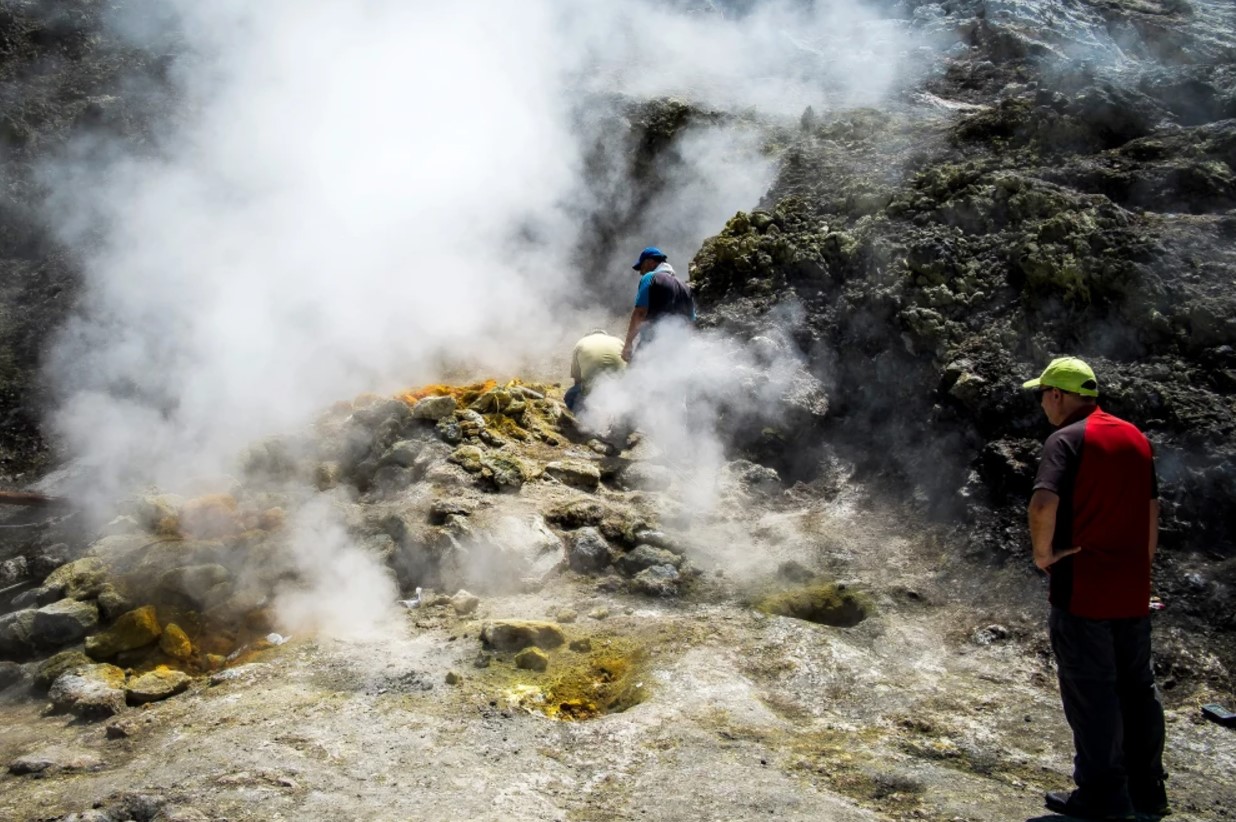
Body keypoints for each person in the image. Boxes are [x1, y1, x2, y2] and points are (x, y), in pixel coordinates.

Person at [1023, 356, 1168, 821]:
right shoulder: (1135, 438)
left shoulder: (1066, 439)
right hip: (1131, 589)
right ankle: (1148, 791)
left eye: (1044, 393)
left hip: (1084, 588)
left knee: (1092, 692)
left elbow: (1044, 502)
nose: (1043, 403)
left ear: (1059, 395)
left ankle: (1103, 796)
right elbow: (1151, 511)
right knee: (1137, 689)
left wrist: (1043, 555)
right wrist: (1139, 571)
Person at [621, 246, 695, 363]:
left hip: (653, 347)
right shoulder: (685, 287)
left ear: (650, 262)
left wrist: (628, 344)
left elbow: (640, 313)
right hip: (678, 352)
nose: (641, 272)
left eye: (641, 267)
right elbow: (690, 323)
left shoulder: (650, 278)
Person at [564, 329, 625, 414]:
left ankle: (586, 419)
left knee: (571, 395)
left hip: (593, 392)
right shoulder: (619, 342)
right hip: (620, 392)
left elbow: (577, 382)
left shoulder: (581, 343)